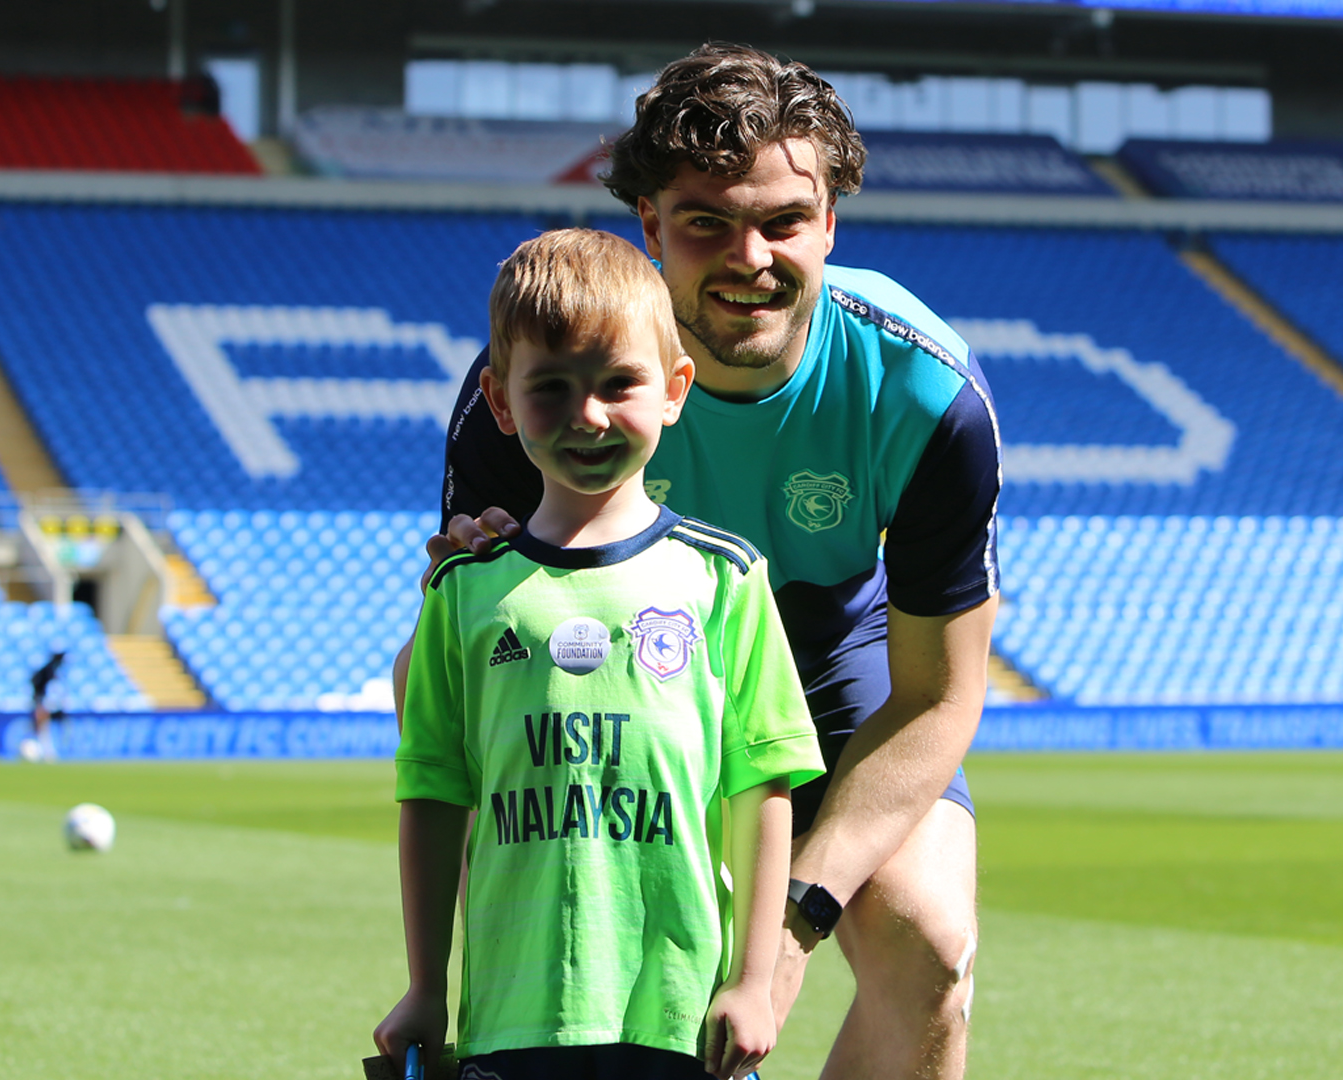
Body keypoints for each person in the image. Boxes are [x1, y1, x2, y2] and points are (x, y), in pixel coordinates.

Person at [408, 43, 1002, 1080]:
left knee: (928, 949)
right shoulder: (546, 378)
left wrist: (793, 925)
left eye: (783, 222)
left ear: (828, 223)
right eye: (707, 223)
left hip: (833, 661)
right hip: (625, 672)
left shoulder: (922, 389)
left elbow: (939, 698)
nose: (750, 257)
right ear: (650, 228)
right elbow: (461, 659)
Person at [374, 229, 826, 1080]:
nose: (588, 415)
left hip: (676, 1014)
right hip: (513, 1019)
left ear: (674, 389)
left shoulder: (725, 581)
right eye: (551, 389)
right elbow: (433, 796)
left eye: (620, 384)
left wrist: (755, 980)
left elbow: (761, 788)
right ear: (501, 406)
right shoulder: (464, 592)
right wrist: (425, 986)